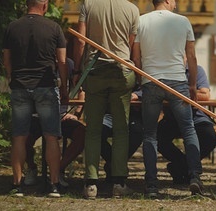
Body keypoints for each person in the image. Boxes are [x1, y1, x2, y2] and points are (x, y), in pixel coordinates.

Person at [132, 0, 203, 197]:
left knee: (150, 134)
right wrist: (192, 84)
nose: (176, 3)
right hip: (177, 81)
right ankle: (195, 176)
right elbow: (192, 57)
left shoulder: (141, 21)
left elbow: (136, 58)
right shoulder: (183, 21)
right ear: (167, 0)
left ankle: (152, 185)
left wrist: (142, 80)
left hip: (151, 81)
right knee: (188, 129)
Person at [72, 0, 139, 199]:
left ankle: (91, 184)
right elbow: (130, 43)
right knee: (121, 130)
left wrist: (77, 69)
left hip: (95, 71)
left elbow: (81, 40)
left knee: (92, 129)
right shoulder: (132, 9)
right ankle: (118, 183)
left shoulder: (88, 4)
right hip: (122, 72)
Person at [3, 0, 68, 197]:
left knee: (19, 137)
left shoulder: (12, 27)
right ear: (45, 6)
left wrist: (12, 79)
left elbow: (7, 61)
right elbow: (62, 62)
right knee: (51, 136)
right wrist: (64, 87)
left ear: (26, 5)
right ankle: (54, 185)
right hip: (46, 85)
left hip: (20, 86)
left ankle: (17, 185)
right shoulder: (54, 28)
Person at [24, 59, 85, 188]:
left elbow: (81, 91)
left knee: (83, 134)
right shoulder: (37, 64)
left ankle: (58, 170)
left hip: (62, 115)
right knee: (22, 136)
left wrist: (77, 113)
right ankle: (31, 168)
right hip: (37, 115)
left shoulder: (69, 64)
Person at [157, 65, 216, 184]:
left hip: (197, 117)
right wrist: (191, 92)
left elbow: (205, 95)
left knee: (210, 138)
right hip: (172, 118)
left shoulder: (197, 70)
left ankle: (181, 168)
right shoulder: (165, 70)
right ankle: (183, 166)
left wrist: (177, 94)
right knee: (156, 137)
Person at [101, 89, 143, 182]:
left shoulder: (139, 75)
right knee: (95, 133)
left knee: (138, 132)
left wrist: (137, 94)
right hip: (110, 113)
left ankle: (114, 165)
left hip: (133, 114)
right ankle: (115, 164)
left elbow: (149, 86)